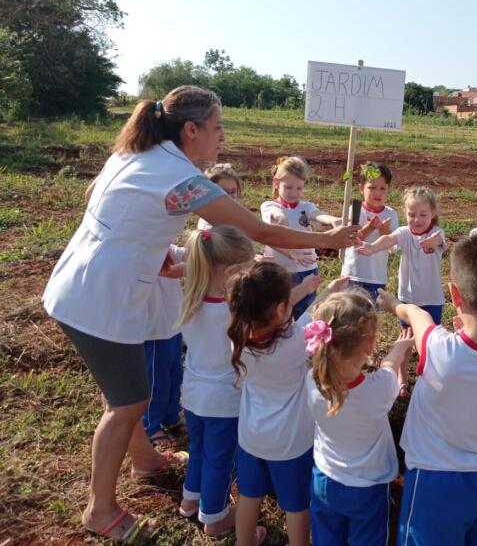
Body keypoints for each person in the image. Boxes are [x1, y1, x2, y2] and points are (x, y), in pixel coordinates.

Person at [42, 85, 358, 541]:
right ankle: (100, 508)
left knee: (129, 394)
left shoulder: (138, 153)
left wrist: (147, 250)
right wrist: (331, 241)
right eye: (217, 126)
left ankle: (146, 461)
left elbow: (114, 210)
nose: (221, 136)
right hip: (98, 297)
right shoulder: (178, 176)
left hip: (88, 282)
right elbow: (249, 228)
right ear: (191, 130)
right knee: (127, 401)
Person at [377, 230, 477, 546]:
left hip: (434, 483)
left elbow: (416, 314)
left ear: (455, 294)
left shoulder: (440, 350)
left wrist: (393, 302)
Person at [228, 262, 348, 546]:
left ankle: (243, 541)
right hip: (291, 443)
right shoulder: (294, 342)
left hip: (251, 438)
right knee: (296, 505)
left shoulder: (236, 340)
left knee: (249, 495)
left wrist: (303, 288)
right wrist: (328, 291)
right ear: (281, 310)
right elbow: (315, 316)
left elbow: (278, 311)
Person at [306, 292, 414, 546]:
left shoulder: (310, 380)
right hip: (368, 487)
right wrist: (400, 349)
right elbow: (389, 370)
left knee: (326, 538)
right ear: (368, 343)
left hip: (324, 478)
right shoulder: (377, 390)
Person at [174, 226, 253, 536]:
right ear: (233, 272)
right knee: (220, 460)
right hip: (224, 401)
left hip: (193, 396)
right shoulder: (233, 311)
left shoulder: (190, 300)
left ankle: (189, 502)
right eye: (247, 270)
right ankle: (215, 518)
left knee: (199, 450)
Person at [357, 186, 445, 393]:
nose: (417, 219)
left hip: (432, 300)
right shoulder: (405, 233)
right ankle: (402, 379)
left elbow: (438, 241)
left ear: (433, 213)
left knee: (427, 344)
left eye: (423, 214)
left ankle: (428, 379)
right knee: (405, 341)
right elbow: (389, 239)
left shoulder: (436, 232)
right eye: (411, 214)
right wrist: (371, 248)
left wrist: (432, 242)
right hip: (407, 299)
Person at [261, 156, 342, 319]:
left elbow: (317, 215)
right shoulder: (270, 206)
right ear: (276, 183)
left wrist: (333, 220)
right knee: (279, 314)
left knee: (308, 314)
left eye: (299, 188)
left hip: (307, 270)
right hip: (279, 272)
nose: (294, 193)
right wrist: (280, 217)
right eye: (288, 187)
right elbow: (275, 216)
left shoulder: (306, 207)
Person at [141, 243, 185, 447]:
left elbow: (188, 253)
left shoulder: (166, 247)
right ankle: (151, 424)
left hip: (173, 325)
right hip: (155, 329)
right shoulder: (142, 252)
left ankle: (171, 415)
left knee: (175, 373)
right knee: (156, 379)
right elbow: (172, 271)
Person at [340, 162, 399, 302]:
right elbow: (350, 240)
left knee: (370, 315)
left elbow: (394, 248)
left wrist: (385, 231)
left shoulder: (391, 214)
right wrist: (369, 228)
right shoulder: (355, 209)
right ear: (361, 188)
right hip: (353, 274)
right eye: (372, 187)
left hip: (376, 277)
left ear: (388, 189)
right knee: (348, 311)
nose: (377, 193)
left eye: (382, 188)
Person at [197, 163, 243, 230]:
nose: (230, 197)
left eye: (233, 191)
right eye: (223, 192)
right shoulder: (208, 227)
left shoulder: (239, 218)